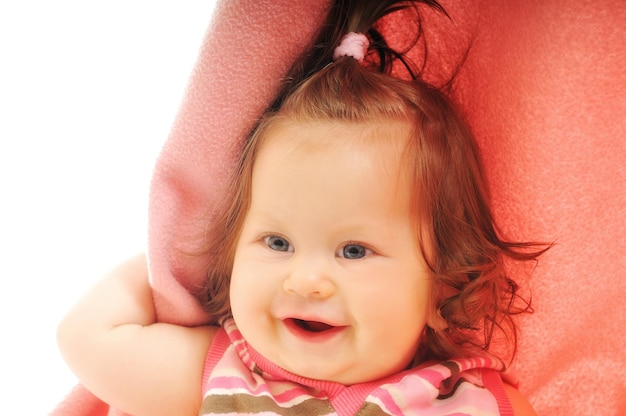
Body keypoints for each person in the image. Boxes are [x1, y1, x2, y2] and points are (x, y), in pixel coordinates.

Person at [57, 1, 548, 415]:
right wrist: (180, 247)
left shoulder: (468, 401)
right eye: (277, 243)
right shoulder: (225, 376)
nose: (305, 280)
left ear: (446, 283)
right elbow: (89, 336)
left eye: (354, 250)